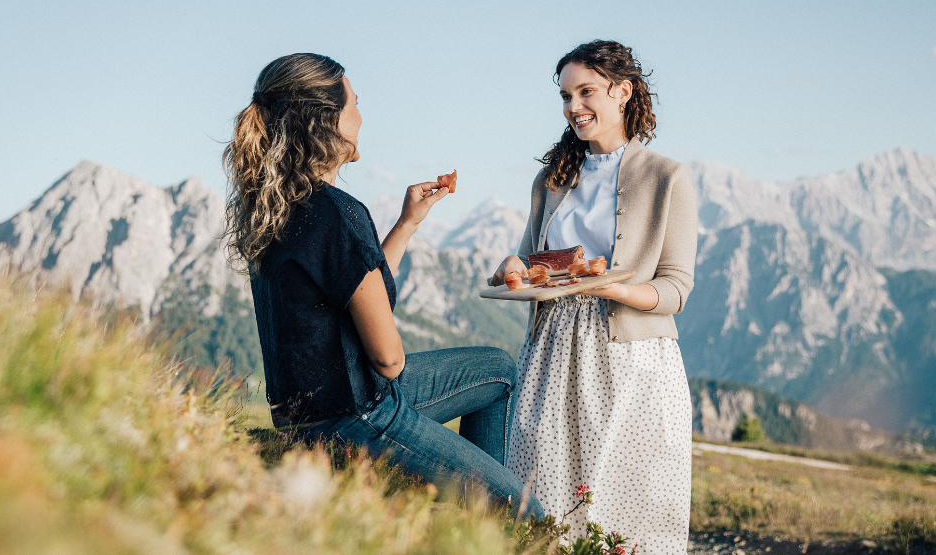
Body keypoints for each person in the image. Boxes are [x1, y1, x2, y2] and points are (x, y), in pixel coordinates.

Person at [223, 52, 545, 519]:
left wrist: (408, 223)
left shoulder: (278, 209)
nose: (361, 114)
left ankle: (473, 518)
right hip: (359, 417)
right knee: (526, 514)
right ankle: (492, 518)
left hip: (306, 417)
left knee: (496, 369)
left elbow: (358, 284)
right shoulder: (338, 211)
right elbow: (389, 360)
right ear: (328, 120)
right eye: (354, 102)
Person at [490, 40, 696, 552]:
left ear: (622, 92)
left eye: (586, 92)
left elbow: (675, 287)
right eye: (565, 96)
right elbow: (534, 266)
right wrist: (513, 268)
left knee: (632, 497)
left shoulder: (667, 178)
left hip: (631, 356)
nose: (573, 107)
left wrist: (615, 287)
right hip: (552, 349)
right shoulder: (551, 179)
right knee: (543, 489)